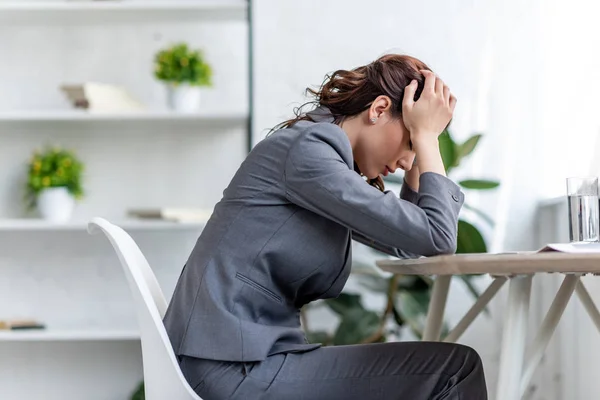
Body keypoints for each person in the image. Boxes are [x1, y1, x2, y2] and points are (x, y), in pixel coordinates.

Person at [163, 53, 488, 399]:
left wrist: (422, 140)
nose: (410, 159)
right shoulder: (310, 153)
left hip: (242, 360)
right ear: (378, 110)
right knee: (454, 370)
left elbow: (409, 242)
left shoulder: (323, 158)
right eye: (411, 143)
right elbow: (436, 237)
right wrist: (428, 137)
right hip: (230, 368)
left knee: (447, 368)